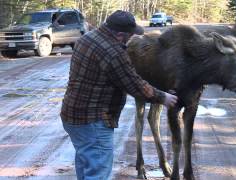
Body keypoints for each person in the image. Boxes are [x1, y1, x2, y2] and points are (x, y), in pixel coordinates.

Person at [60, 10, 178, 180]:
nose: (132, 39)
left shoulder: (88, 38)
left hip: (72, 116)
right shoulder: (113, 52)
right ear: (120, 35)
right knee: (97, 173)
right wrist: (163, 97)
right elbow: (134, 85)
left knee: (86, 166)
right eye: (130, 35)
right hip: (93, 121)